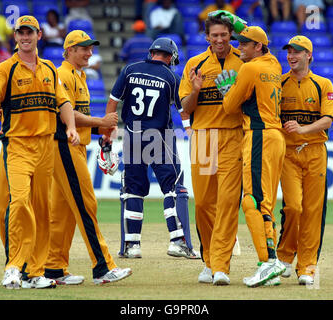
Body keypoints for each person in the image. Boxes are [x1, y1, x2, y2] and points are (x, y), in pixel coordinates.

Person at [0, 15, 80, 289]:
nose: (25, 37)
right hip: (19, 147)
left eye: (30, 33)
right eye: (21, 33)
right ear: (15, 37)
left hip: (46, 146)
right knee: (20, 203)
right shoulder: (6, 69)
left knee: (41, 209)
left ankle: (35, 272)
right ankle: (14, 267)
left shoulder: (49, 68)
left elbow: (63, 101)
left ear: (39, 36)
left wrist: (71, 127)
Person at [44, 30, 132, 285]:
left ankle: (53, 268)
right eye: (84, 48)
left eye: (91, 48)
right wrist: (101, 121)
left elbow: (77, 117)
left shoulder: (79, 76)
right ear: (69, 50)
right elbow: (64, 116)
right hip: (64, 147)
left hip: (74, 146)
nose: (89, 52)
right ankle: (103, 267)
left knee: (63, 213)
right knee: (85, 206)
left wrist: (99, 130)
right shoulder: (62, 75)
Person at [105, 37, 200, 259]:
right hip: (159, 137)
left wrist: (108, 132)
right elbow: (183, 110)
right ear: (170, 57)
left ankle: (132, 246)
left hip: (133, 135)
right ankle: (178, 242)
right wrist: (190, 132)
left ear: (151, 52)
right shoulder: (171, 77)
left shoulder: (130, 69)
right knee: (172, 188)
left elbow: (112, 102)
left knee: (132, 190)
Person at [217, 26, 286, 287]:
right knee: (264, 203)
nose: (239, 47)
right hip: (275, 137)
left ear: (258, 46)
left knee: (252, 202)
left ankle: (268, 262)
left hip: (258, 135)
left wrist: (227, 91)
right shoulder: (274, 64)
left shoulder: (250, 68)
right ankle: (269, 263)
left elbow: (228, 107)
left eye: (244, 44)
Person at [179, 11, 245, 286]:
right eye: (214, 35)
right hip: (203, 138)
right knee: (205, 204)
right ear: (207, 37)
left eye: (224, 34)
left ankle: (221, 265)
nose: (219, 39)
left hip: (233, 137)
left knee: (228, 204)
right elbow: (184, 108)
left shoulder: (244, 61)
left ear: (231, 35)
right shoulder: (195, 63)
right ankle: (208, 260)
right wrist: (195, 90)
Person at [276, 35, 333, 285]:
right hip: (288, 153)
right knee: (293, 207)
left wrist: (302, 129)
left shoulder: (323, 84)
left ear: (309, 55)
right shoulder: (279, 83)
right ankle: (284, 256)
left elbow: (328, 118)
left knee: (312, 211)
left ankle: (307, 267)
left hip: (315, 151)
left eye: (297, 52)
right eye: (289, 51)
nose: (291, 56)